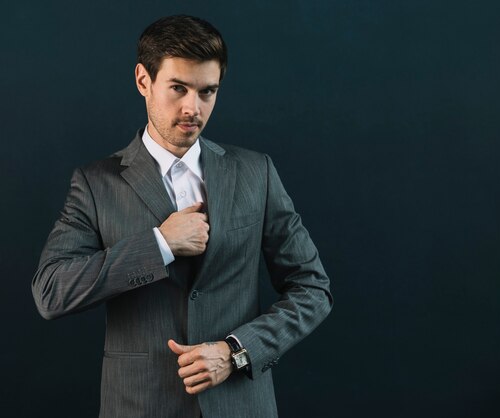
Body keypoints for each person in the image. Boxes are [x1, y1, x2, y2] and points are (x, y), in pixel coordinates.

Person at [32, 15, 332, 418]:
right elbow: (51, 292)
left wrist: (236, 352)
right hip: (140, 406)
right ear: (143, 81)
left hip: (240, 407)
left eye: (207, 92)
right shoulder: (95, 183)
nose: (193, 108)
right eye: (178, 88)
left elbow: (312, 288)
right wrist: (159, 245)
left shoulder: (255, 172)